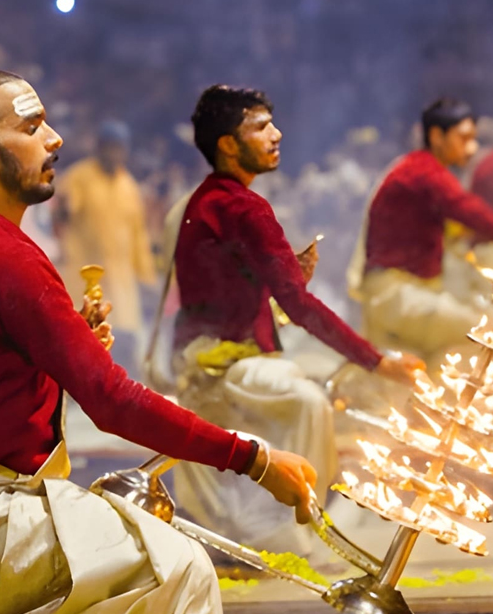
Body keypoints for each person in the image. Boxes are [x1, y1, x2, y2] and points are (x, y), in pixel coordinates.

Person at [0, 71, 316, 612]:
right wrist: (254, 459)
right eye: (32, 127)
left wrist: (63, 342)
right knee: (180, 568)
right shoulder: (2, 257)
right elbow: (114, 402)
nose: (55, 138)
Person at [170, 85, 424, 554]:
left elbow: (230, 291)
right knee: (309, 402)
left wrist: (283, 281)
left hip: (212, 358)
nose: (277, 134)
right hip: (221, 366)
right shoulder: (243, 207)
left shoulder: (209, 200)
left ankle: (282, 522)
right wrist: (377, 361)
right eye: (261, 127)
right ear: (228, 144)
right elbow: (299, 307)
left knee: (307, 389)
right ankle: (292, 529)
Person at [349, 98, 493, 365]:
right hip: (397, 297)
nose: (472, 147)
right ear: (436, 136)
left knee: (451, 357)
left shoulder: (418, 168)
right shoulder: (425, 172)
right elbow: (469, 210)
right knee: (488, 333)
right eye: (463, 138)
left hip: (405, 295)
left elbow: (457, 221)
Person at [54, 120, 156, 378]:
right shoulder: (79, 177)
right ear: (99, 148)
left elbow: (138, 236)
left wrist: (146, 277)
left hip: (121, 284)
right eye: (110, 148)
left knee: (123, 346)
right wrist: (62, 211)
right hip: (85, 279)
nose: (115, 154)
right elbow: (63, 214)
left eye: (119, 148)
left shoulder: (129, 186)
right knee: (83, 344)